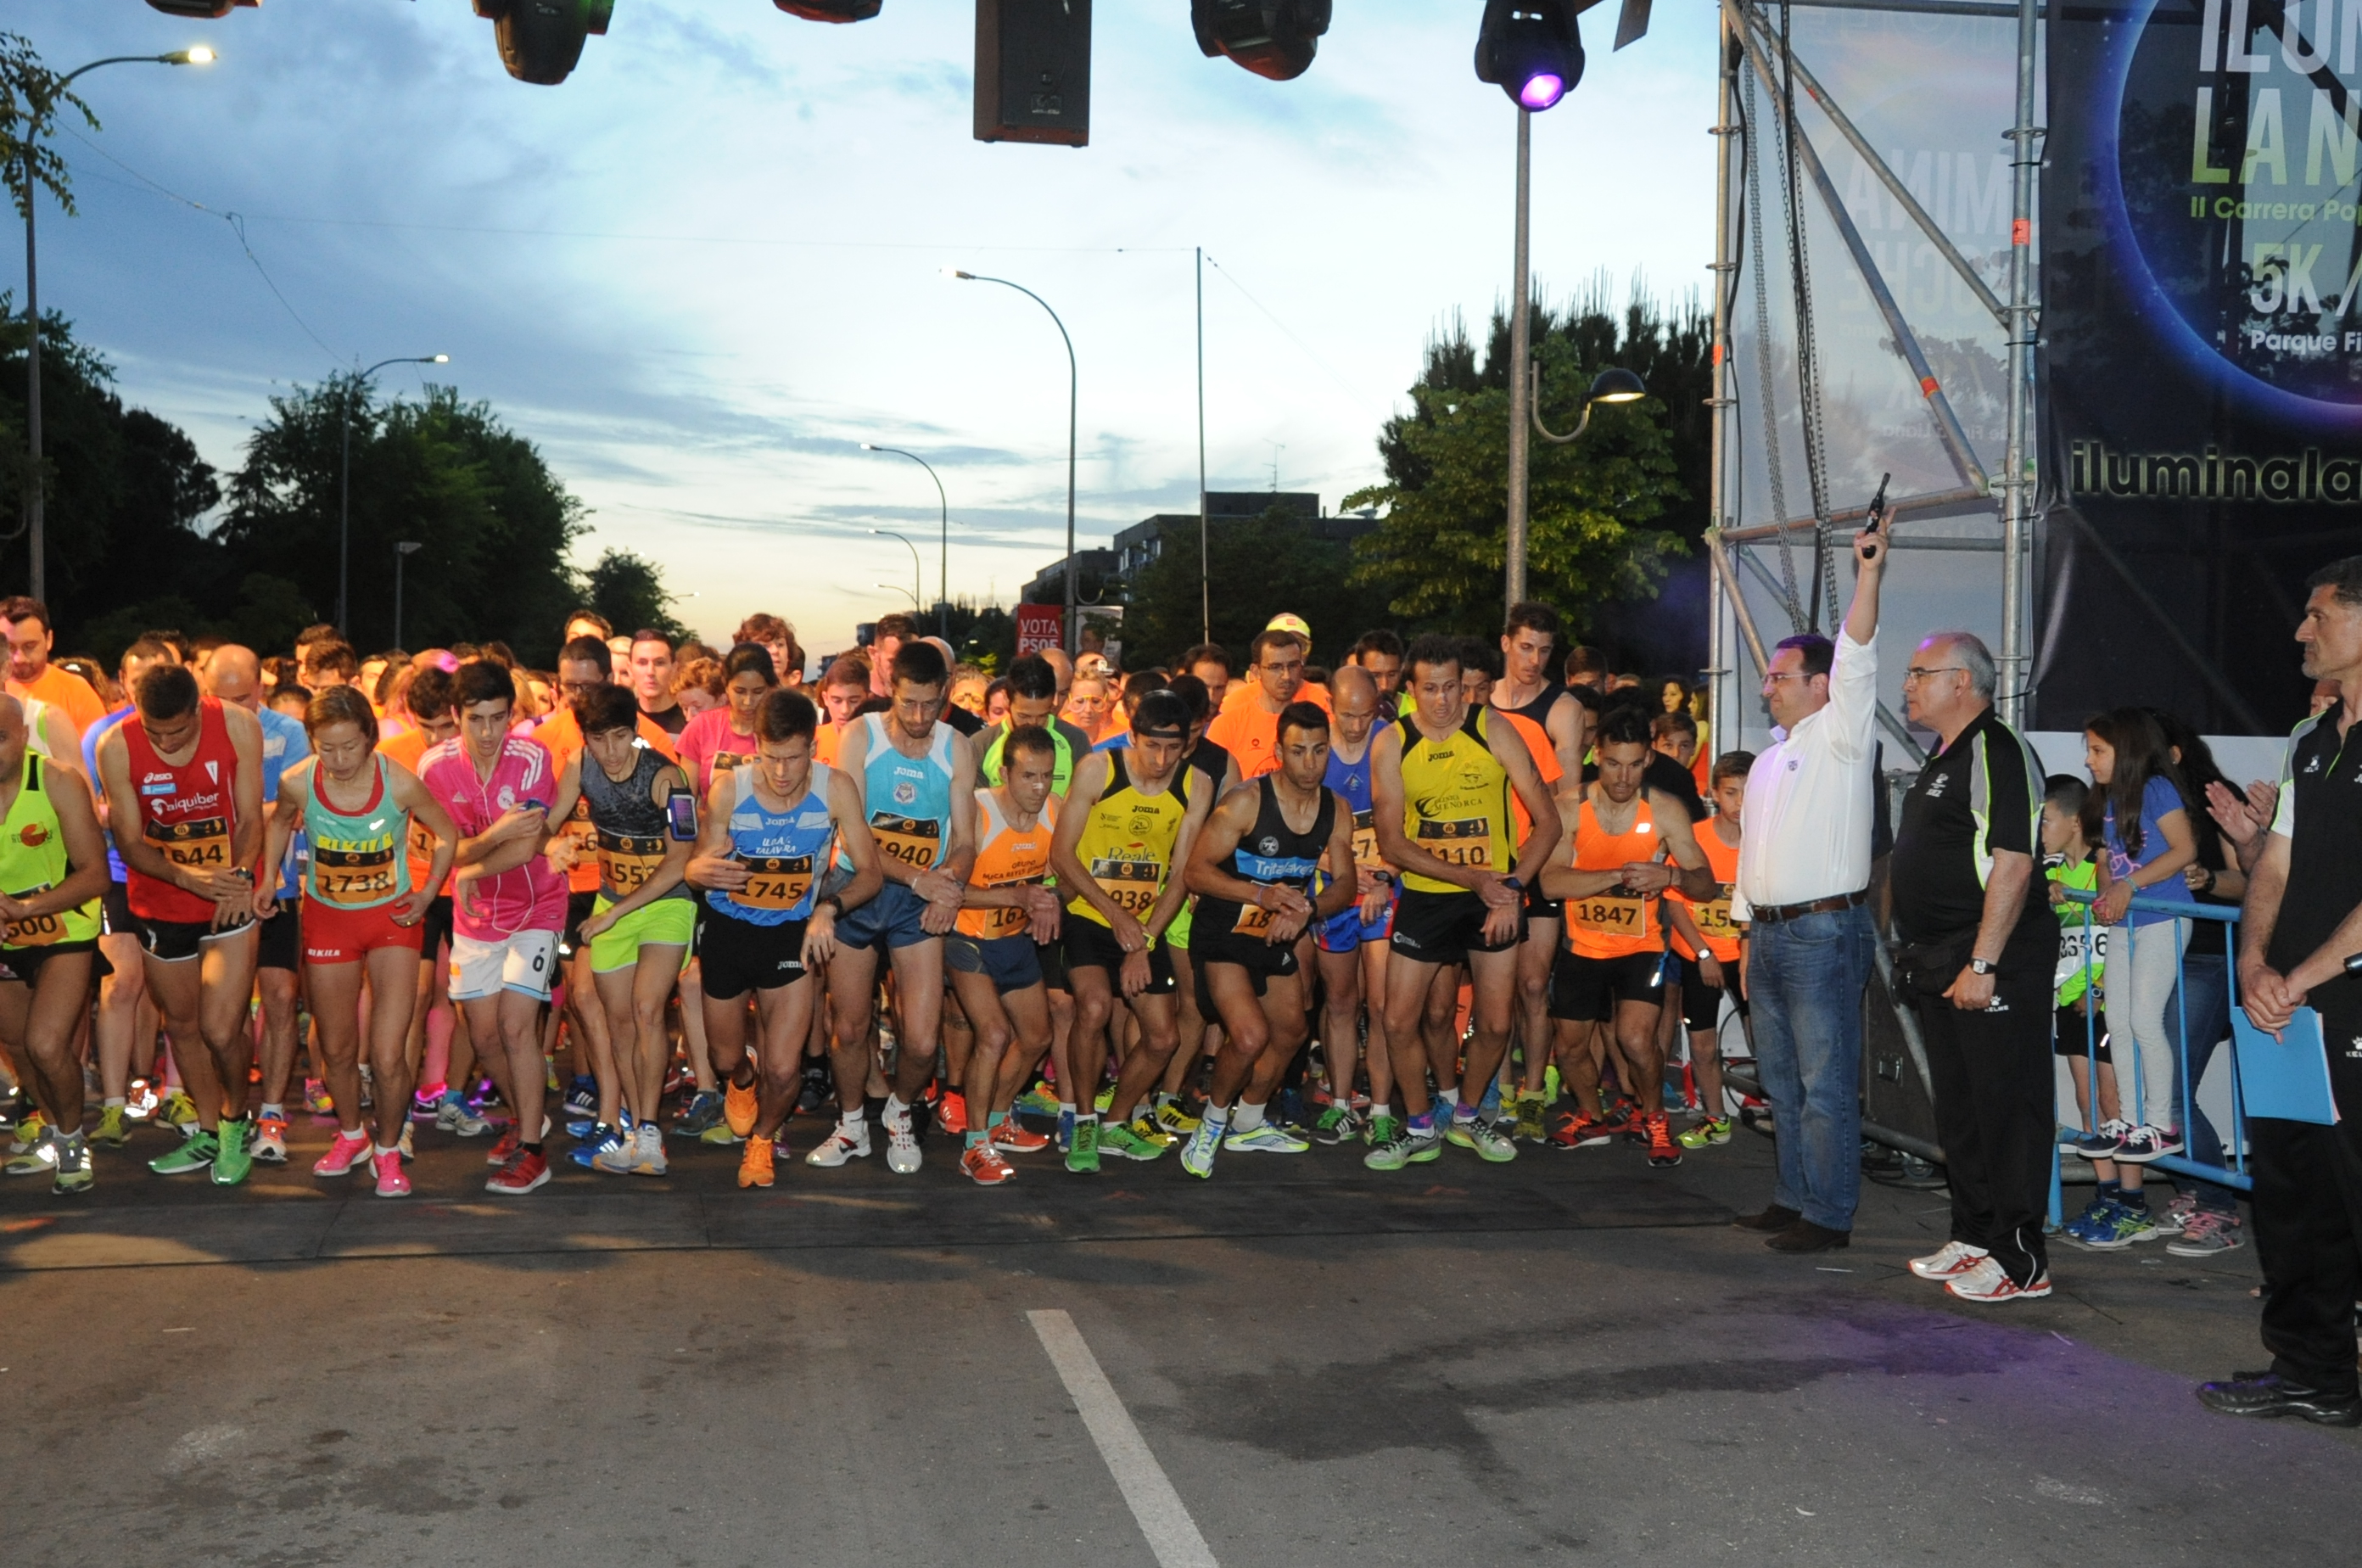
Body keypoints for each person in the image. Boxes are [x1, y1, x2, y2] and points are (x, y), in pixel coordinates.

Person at [2196, 556, 2362, 1427]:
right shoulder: (2317, 738)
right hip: (2288, 1010)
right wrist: (2255, 963)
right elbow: (2277, 863)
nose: (2302, 631)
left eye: (2319, 615)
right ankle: (2313, 1374)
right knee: (2295, 1198)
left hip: (2340, 1000)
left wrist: (2295, 978)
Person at [1883, 632, 2056, 1295]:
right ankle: (1976, 1234)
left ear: (1962, 680)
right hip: (1940, 956)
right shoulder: (1944, 754)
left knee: (2007, 1106)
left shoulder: (1998, 748)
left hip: (1990, 955)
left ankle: (2021, 1260)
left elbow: (2014, 861)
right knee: (1962, 1108)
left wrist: (1983, 964)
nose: (1907, 684)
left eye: (1918, 672)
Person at [1728, 527, 1884, 1245]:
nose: (1767, 688)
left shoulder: (1841, 736)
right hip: (1768, 934)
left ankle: (1828, 1213)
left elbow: (1857, 651)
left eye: (1778, 677)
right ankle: (1794, 1196)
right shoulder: (1769, 760)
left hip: (1823, 933)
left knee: (1824, 1083)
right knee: (1782, 1080)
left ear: (1821, 686)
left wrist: (1868, 572)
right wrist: (1744, 935)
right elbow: (1752, 856)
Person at [1365, 636, 1561, 1170]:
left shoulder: (1492, 728)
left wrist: (1512, 889)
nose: (1443, 700)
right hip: (1430, 897)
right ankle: (1419, 1125)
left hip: (1494, 899)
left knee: (1495, 1025)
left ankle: (1468, 1116)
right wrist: (1470, 878)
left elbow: (1548, 823)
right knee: (1398, 1020)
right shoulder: (1391, 743)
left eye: (1451, 687)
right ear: (1410, 690)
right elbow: (1393, 844)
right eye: (1430, 689)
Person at [258, 686, 456, 1198]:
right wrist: (269, 880)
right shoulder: (297, 781)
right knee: (338, 1048)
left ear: (369, 737)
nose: (340, 759)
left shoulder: (400, 782)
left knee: (388, 1054)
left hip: (392, 920)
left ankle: (388, 1148)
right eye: (327, 748)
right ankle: (352, 1136)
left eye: (350, 746)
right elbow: (278, 823)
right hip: (329, 921)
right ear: (312, 742)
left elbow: (447, 834)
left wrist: (428, 893)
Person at [687, 690, 882, 1190]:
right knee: (725, 1058)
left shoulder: (835, 788)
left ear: (812, 748)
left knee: (783, 1067)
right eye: (770, 757)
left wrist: (828, 908)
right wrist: (698, 872)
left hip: (791, 934)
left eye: (793, 758)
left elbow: (871, 873)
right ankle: (741, 1080)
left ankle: (762, 1140)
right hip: (729, 931)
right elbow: (697, 865)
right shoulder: (729, 790)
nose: (780, 771)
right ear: (756, 746)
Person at [94, 663, 269, 1187]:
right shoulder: (115, 746)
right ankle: (209, 1129)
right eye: (156, 732)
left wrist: (239, 878)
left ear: (198, 708)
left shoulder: (237, 724)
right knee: (183, 1026)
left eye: (178, 731)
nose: (167, 743)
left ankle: (237, 1120)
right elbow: (129, 842)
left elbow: (250, 817)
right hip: (161, 901)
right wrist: (186, 878)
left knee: (221, 1028)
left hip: (228, 896)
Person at [810, 639, 977, 1176]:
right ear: (891, 691)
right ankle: (851, 1124)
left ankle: (901, 1110)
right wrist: (923, 879)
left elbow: (966, 841)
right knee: (851, 1027)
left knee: (923, 1041)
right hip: (859, 887)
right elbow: (856, 837)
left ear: (946, 694)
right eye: (909, 703)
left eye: (931, 704)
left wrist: (949, 885)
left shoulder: (957, 747)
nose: (920, 716)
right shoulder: (860, 736)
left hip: (917, 900)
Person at [1178, 701, 1357, 1177]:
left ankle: (1250, 1120)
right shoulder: (1246, 801)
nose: (1310, 763)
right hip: (1223, 931)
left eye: (1319, 750)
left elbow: (1345, 885)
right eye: (1298, 751)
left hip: (1275, 934)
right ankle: (1212, 1124)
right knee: (1250, 1035)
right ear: (1278, 752)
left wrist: (1306, 910)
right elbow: (1195, 872)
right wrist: (1262, 894)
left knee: (1293, 1031)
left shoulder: (1336, 809)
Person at [1539, 706, 1717, 1171]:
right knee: (1570, 1046)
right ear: (1597, 756)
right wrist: (1618, 877)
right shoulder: (1570, 807)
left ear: (1648, 761)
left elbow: (1706, 885)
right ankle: (1591, 1117)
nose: (1623, 777)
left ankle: (1654, 1117)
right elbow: (1550, 883)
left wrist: (1670, 874)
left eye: (1635, 765)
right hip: (1582, 945)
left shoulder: (1665, 810)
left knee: (1636, 1040)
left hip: (1641, 946)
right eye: (1614, 763)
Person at [419, 660, 569, 1196]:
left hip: (537, 908)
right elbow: (447, 850)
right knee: (483, 1036)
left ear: (512, 714)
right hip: (477, 917)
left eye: (498, 718)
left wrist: (469, 866)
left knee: (515, 1026)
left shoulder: (532, 758)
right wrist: (488, 840)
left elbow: (526, 847)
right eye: (476, 719)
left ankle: (533, 1150)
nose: (487, 733)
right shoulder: (434, 767)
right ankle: (528, 1117)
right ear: (455, 715)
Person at [1049, 691, 1213, 1171]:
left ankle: (1116, 1122)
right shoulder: (1098, 770)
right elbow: (1062, 855)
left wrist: (1143, 941)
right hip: (1089, 913)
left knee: (1163, 1037)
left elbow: (1182, 874)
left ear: (1187, 744)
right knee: (1094, 1007)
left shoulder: (1197, 785)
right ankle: (1083, 1121)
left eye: (1173, 748)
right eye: (1152, 746)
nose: (1161, 760)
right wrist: (1117, 917)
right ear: (1133, 736)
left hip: (1145, 925)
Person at [544, 684, 697, 1177]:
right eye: (598, 738)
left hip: (665, 904)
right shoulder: (579, 766)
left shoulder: (667, 778)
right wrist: (548, 845)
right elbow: (548, 821)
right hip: (612, 903)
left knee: (648, 1007)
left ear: (635, 731)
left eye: (619, 736)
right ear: (584, 737)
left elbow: (680, 860)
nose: (610, 751)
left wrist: (614, 912)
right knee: (619, 1023)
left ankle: (650, 1132)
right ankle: (633, 1129)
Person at [2081, 707, 2198, 1188]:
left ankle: (2160, 1123)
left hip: (2164, 918)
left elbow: (2185, 849)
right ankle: (2130, 1120)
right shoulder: (2107, 798)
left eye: (2098, 750)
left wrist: (2130, 887)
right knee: (2118, 1021)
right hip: (2127, 923)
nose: (2089, 760)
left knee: (2146, 1020)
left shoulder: (2157, 789)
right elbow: (2106, 860)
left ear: (2125, 750)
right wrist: (2108, 894)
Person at [207, 646, 312, 1167]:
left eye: (243, 699)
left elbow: (294, 810)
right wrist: (260, 814)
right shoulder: (193, 731)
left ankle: (272, 1112)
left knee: (279, 996)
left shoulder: (289, 733)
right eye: (220, 699)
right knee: (221, 1011)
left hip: (277, 883)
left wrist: (251, 818)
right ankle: (230, 1113)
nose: (232, 710)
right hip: (214, 886)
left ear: (262, 689)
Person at [0, 697, 110, 1194]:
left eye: (1, 738)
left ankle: (71, 1140)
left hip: (63, 926)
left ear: (24, 736)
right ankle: (50, 1126)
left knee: (46, 1044)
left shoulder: (58, 781)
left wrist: (27, 908)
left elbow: (96, 875)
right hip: (6, 931)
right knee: (19, 1047)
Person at [946, 725, 1063, 1185]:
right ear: (1005, 773)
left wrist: (1050, 900)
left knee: (1036, 1037)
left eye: (1047, 775)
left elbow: (1066, 879)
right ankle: (974, 1146)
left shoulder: (1055, 812)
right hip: (967, 939)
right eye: (1029, 776)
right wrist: (1018, 895)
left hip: (1014, 940)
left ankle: (996, 1120)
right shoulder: (978, 811)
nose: (1039, 787)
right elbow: (950, 890)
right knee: (993, 1034)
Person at [1312, 665, 1396, 1145]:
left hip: (1383, 890)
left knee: (1382, 1005)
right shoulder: (1316, 751)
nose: (1357, 725)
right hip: (1334, 891)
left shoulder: (1390, 742)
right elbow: (1302, 830)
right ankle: (1340, 1104)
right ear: (1331, 706)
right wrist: (1342, 871)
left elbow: (1407, 824)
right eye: (1347, 715)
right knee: (1341, 1001)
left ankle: (1381, 1110)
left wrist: (1383, 877)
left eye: (1367, 714)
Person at [1665, 750, 1752, 1151]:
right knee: (1701, 1042)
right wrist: (1703, 954)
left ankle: (1782, 1110)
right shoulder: (1694, 839)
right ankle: (1715, 1117)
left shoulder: (1763, 841)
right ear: (1714, 793)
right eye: (1731, 792)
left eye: (1748, 793)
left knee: (1764, 1037)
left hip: (1748, 953)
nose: (1740, 803)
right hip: (1699, 954)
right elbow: (1674, 902)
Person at [1206, 628, 1314, 780]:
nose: (1286, 676)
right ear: (1256, 671)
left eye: (1293, 666)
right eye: (1275, 667)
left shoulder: (1313, 722)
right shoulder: (1227, 726)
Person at [978, 653, 1093, 796]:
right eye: (1024, 716)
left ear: (1053, 701)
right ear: (1007, 700)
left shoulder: (1075, 741)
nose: (1033, 723)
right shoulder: (982, 745)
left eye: (1042, 716)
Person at [0, 596, 107, 740]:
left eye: (29, 646)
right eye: (10, 647)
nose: (19, 658)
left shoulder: (77, 692)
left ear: (49, 639)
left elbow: (94, 750)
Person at [628, 629, 687, 736]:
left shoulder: (690, 720)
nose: (650, 672)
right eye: (642, 663)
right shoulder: (620, 719)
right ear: (630, 669)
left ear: (674, 669)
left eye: (659, 663)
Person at [1348, 630, 1406, 711]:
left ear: (1401, 670)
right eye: (1376, 676)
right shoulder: (1348, 711)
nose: (1384, 685)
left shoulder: (1419, 710)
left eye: (1392, 675)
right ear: (1360, 672)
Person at [1179, 644, 1233, 714]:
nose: (1211, 697)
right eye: (1204, 687)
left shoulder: (1231, 721)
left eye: (1219, 688)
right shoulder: (1170, 719)